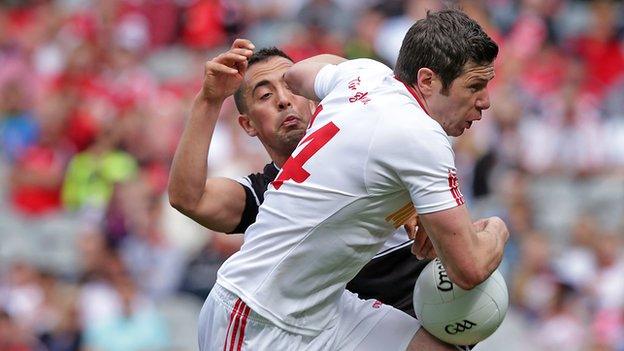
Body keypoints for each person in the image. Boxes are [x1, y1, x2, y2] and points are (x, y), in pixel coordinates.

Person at [181, 9, 509, 351]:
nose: (485, 101)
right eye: (475, 86)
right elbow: (469, 269)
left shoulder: (365, 75)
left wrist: (352, 85)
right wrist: (498, 227)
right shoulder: (420, 135)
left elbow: (296, 74)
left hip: (325, 309)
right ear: (426, 80)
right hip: (257, 317)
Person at [168, 42, 433, 318]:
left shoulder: (365, 140)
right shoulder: (267, 197)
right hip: (370, 331)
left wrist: (421, 200)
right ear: (248, 125)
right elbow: (188, 198)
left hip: (442, 294)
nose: (283, 100)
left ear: (311, 97)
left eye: (292, 88)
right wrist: (208, 100)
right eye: (265, 95)